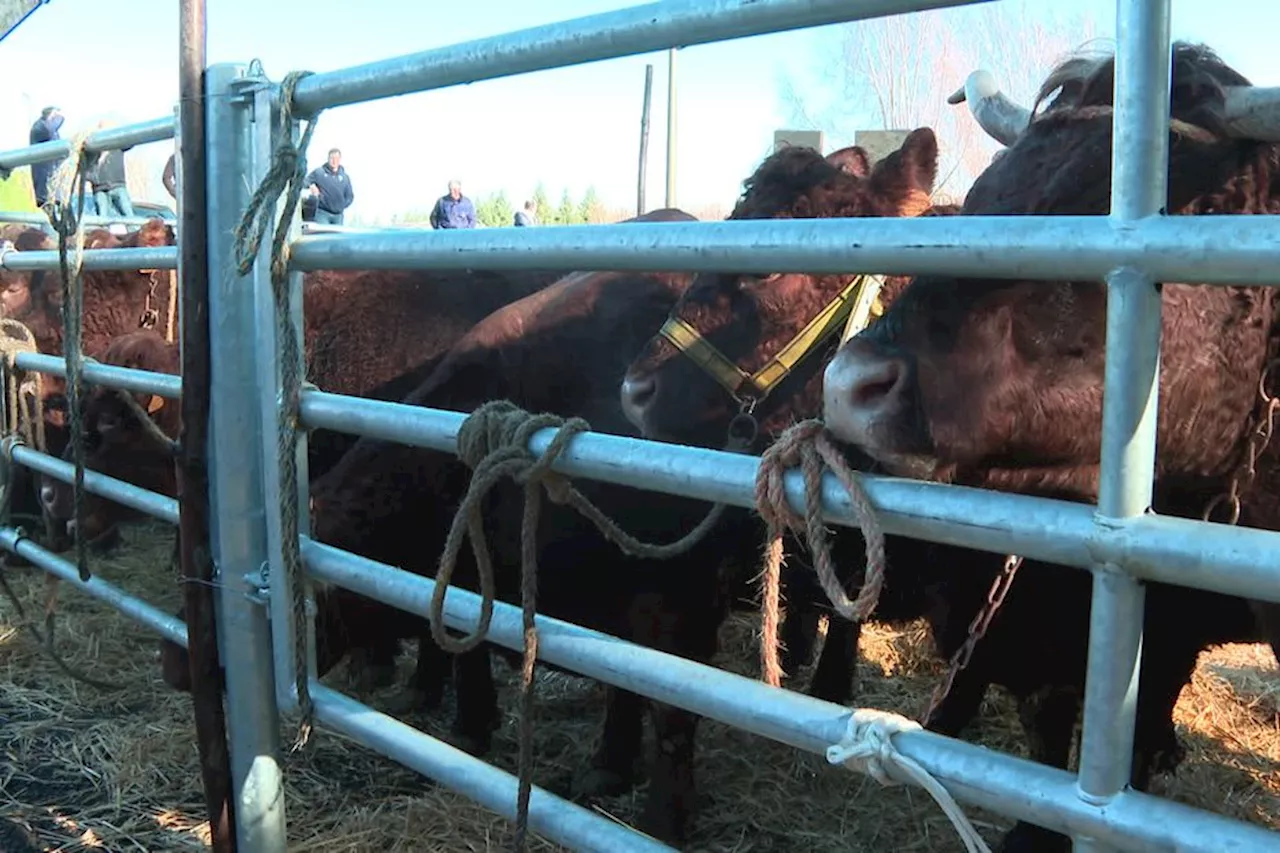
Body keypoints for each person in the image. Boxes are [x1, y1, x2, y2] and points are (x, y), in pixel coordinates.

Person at [87, 125, 135, 220]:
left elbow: (131, 140)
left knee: (130, 217)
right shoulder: (92, 151)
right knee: (102, 219)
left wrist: (117, 133)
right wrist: (94, 179)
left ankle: (134, 232)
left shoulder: (117, 144)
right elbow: (85, 171)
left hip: (118, 186)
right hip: (100, 190)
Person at [303, 148, 354, 225]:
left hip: (338, 216)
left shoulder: (345, 177)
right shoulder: (319, 172)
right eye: (331, 158)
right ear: (328, 159)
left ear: (340, 160)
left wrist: (341, 206)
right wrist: (311, 185)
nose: (334, 161)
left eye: (336, 158)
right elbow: (303, 182)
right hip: (322, 213)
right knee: (323, 236)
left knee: (336, 237)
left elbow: (350, 196)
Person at [28, 106, 64, 208]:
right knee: (45, 204)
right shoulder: (40, 127)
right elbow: (49, 131)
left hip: (52, 175)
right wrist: (59, 118)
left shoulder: (50, 128)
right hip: (44, 176)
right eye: (56, 116)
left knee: (56, 205)